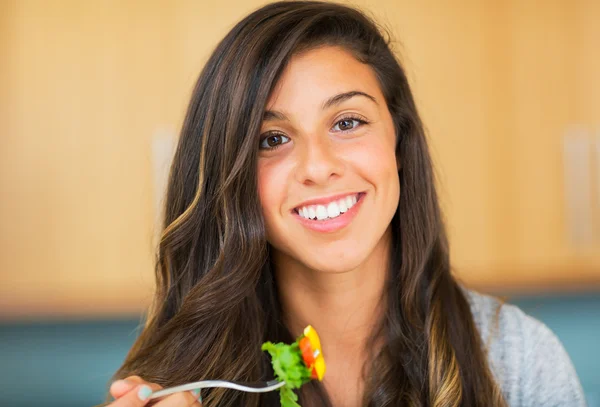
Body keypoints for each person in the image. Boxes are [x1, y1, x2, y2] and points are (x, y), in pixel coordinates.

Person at [101, 1, 587, 406]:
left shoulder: (517, 361)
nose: (318, 166)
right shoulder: (177, 386)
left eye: (347, 122)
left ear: (399, 140)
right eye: (272, 139)